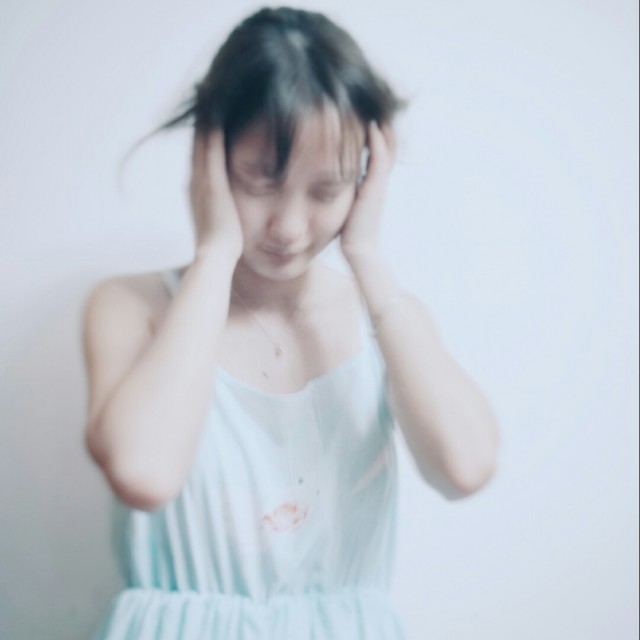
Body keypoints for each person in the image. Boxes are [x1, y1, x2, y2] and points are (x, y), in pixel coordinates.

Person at [82, 7, 500, 638]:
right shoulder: (130, 307)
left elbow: (465, 467)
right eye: (260, 181)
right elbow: (146, 472)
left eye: (325, 191)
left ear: (365, 178)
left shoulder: (383, 318)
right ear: (210, 157)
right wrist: (214, 253)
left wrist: (366, 255)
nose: (289, 227)